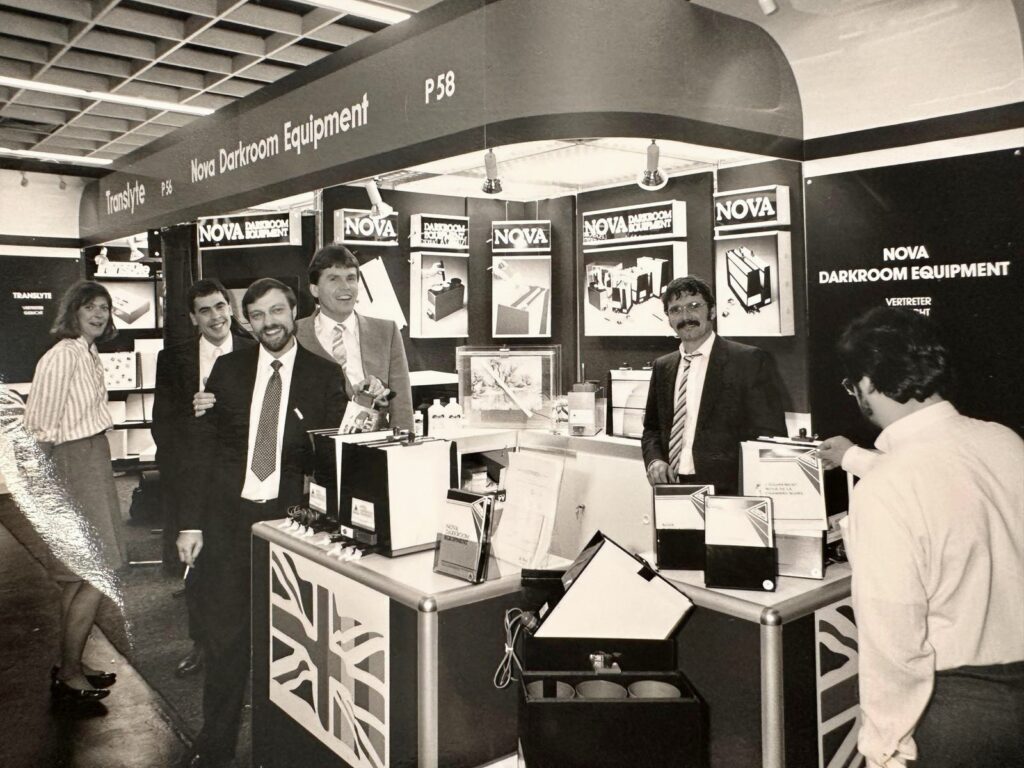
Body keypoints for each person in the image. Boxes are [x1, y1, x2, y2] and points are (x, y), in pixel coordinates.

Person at [837, 307, 1024, 768]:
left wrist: (884, 750)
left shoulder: (886, 488)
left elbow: (894, 645)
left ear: (867, 382)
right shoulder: (1004, 441)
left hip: (958, 713)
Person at [176, 278, 347, 768]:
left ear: (295, 311)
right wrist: (191, 522)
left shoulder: (323, 374)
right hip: (230, 521)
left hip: (290, 526)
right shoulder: (227, 370)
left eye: (277, 311)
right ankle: (215, 746)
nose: (269, 322)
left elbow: (332, 457)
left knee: (292, 641)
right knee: (226, 639)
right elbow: (201, 451)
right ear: (245, 321)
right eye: (257, 315)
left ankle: (284, 751)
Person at [23, 280, 125, 703]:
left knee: (75, 579)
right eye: (90, 307)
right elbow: (39, 429)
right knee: (98, 572)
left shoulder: (87, 352)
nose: (99, 314)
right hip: (72, 465)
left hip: (90, 459)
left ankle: (72, 662)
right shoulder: (62, 356)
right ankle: (68, 673)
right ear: (73, 311)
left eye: (104, 307)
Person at [151, 279, 255, 679]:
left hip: (243, 478)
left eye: (220, 306)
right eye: (205, 310)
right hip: (193, 478)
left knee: (239, 561)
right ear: (193, 317)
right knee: (196, 566)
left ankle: (245, 643)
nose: (216, 317)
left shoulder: (254, 351)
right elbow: (162, 422)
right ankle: (201, 644)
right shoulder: (173, 359)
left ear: (231, 308)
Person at [641, 275, 785, 494]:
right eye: (675, 310)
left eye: (694, 306)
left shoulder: (748, 360)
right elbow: (651, 428)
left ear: (713, 311)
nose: (685, 316)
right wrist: (654, 461)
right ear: (669, 318)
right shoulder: (663, 366)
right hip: (672, 487)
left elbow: (770, 434)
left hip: (728, 492)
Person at [295, 244, 413, 431]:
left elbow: (402, 405)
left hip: (371, 445)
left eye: (351, 278)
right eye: (333, 279)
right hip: (313, 448)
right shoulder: (295, 334)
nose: (345, 287)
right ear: (315, 289)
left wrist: (403, 446)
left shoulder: (386, 331)